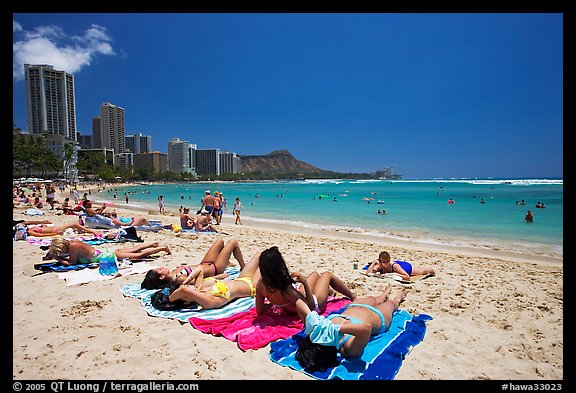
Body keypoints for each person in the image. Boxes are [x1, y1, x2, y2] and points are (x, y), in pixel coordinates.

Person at [293, 286, 406, 371]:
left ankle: (384, 294)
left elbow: (299, 303)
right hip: (378, 316)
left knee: (376, 299)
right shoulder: (347, 349)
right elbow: (367, 329)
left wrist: (312, 318)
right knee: (392, 304)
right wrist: (338, 329)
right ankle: (398, 297)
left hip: (355, 306)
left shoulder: (318, 332)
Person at [255, 246, 355, 317]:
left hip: (295, 299)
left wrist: (274, 303)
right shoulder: (286, 289)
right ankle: (352, 296)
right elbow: (309, 306)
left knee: (315, 274)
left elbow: (259, 311)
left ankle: (328, 291)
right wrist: (304, 283)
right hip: (314, 305)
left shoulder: (261, 285)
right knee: (327, 275)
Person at [165, 248, 263, 310]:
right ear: (186, 301)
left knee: (261, 253)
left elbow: (199, 269)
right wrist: (169, 299)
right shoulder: (208, 302)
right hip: (252, 287)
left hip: (241, 279)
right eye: (186, 294)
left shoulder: (199, 287)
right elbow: (184, 290)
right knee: (267, 260)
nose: (188, 287)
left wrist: (186, 281)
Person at [141, 239, 245, 290]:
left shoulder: (173, 272)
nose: (161, 267)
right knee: (233, 243)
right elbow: (200, 282)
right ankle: (243, 266)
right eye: (159, 269)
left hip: (205, 263)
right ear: (162, 277)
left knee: (220, 241)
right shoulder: (179, 278)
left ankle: (225, 261)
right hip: (215, 269)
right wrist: (219, 276)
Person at [48, 237, 171, 266]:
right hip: (102, 253)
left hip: (105, 256)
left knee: (138, 255)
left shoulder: (73, 247)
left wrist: (58, 259)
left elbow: (73, 264)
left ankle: (162, 248)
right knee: (134, 249)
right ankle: (151, 244)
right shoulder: (73, 243)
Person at [366, 251, 435, 282]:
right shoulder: (379, 265)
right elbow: (368, 273)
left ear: (390, 260)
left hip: (404, 267)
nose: (386, 264)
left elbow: (407, 277)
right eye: (384, 262)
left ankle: (430, 269)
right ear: (380, 261)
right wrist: (374, 262)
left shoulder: (395, 266)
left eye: (388, 261)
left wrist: (395, 274)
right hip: (397, 267)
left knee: (422, 271)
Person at [26, 222, 101, 237]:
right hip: (55, 230)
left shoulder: (30, 228)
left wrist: (42, 225)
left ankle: (86, 230)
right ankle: (92, 231)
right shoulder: (30, 231)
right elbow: (41, 235)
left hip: (55, 228)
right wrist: (55, 234)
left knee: (74, 227)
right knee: (74, 224)